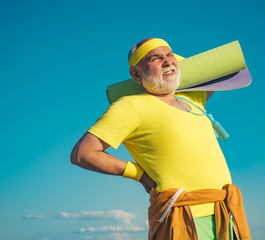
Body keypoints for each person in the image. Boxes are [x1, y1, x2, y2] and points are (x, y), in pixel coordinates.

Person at [71, 38, 251, 240]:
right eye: (155, 58)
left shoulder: (193, 98)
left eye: (170, 55)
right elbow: (82, 154)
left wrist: (171, 62)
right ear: (136, 74)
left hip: (225, 214)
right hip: (185, 217)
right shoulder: (129, 106)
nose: (167, 61)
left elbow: (213, 69)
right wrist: (138, 174)